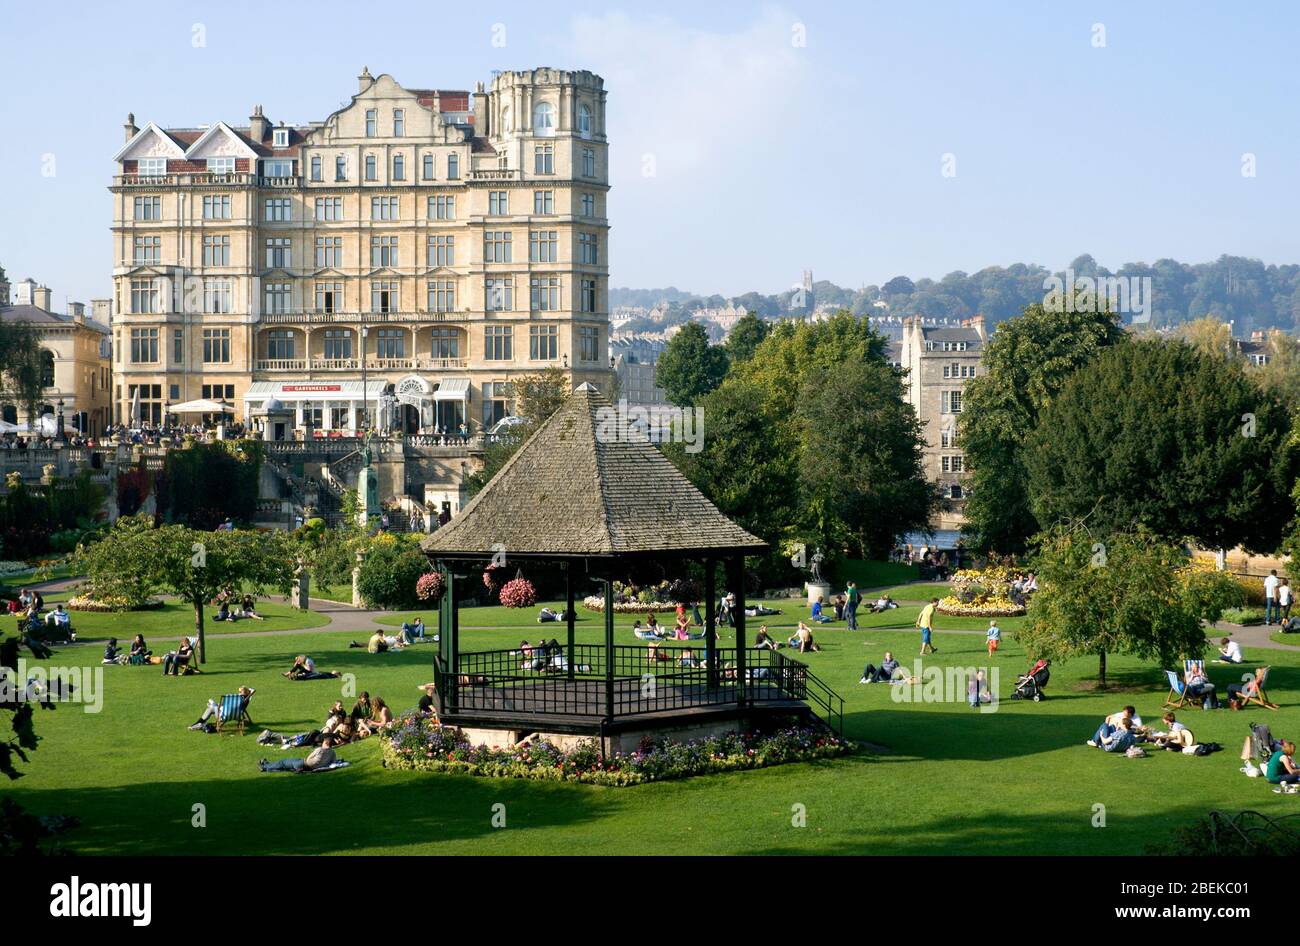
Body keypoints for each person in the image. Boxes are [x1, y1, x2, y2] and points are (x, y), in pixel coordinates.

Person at [259, 735, 339, 773]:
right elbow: (333, 762)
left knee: (283, 762)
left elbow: (308, 758)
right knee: (284, 766)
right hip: (309, 767)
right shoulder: (332, 752)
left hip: (303, 764)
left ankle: (264, 766)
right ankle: (267, 766)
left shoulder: (320, 749)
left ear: (325, 742)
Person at [188, 686, 255, 731]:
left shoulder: (236, 698)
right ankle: (199, 723)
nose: (239, 693)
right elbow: (253, 690)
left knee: (212, 707)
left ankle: (199, 723)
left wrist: (217, 705)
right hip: (234, 716)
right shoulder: (242, 700)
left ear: (245, 693)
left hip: (223, 716)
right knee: (212, 707)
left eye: (240, 692)